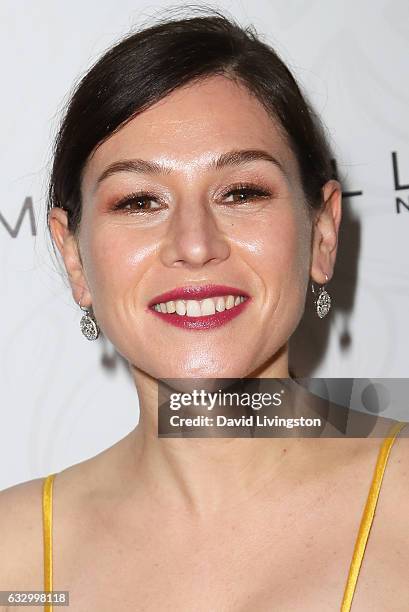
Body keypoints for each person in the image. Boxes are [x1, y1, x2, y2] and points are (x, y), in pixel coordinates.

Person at [1, 7, 408, 611]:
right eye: (140, 201)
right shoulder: (14, 557)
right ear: (75, 259)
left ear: (322, 233)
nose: (194, 245)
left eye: (241, 192)